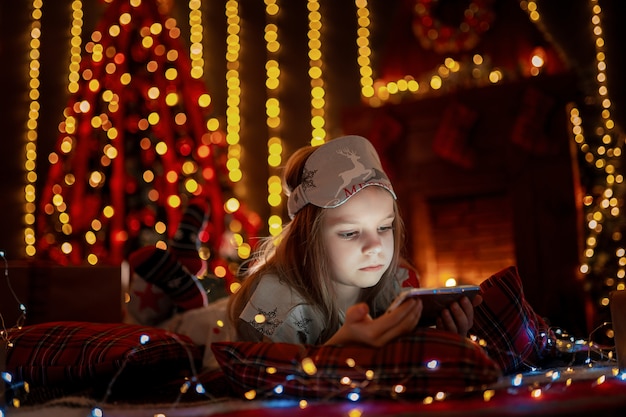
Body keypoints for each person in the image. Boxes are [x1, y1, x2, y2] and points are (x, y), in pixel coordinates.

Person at [127, 134, 554, 373]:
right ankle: (180, 290)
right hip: (220, 328)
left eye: (384, 228)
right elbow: (245, 378)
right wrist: (337, 349)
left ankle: (187, 285)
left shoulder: (398, 280)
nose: (375, 247)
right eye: (350, 233)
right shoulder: (272, 302)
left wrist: (444, 340)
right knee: (170, 327)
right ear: (308, 237)